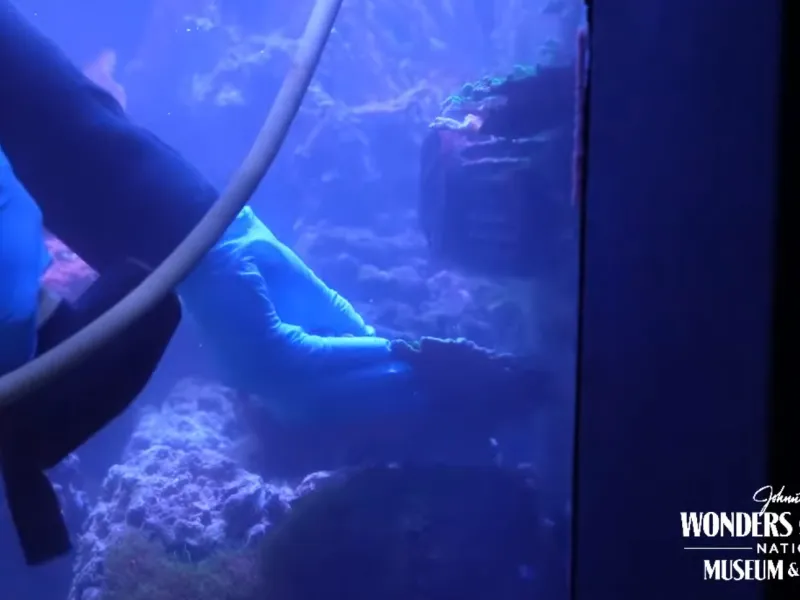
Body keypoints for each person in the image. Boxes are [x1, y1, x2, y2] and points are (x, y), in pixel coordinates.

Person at [0, 1, 539, 450]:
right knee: (294, 354)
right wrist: (223, 238)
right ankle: (472, 394)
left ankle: (464, 397)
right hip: (192, 221)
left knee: (280, 368)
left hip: (186, 234)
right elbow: (56, 112)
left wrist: (210, 252)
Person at [0, 146, 183, 565]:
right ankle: (21, 446)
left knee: (148, 293)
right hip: (33, 358)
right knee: (151, 297)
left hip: (45, 341)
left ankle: (21, 446)